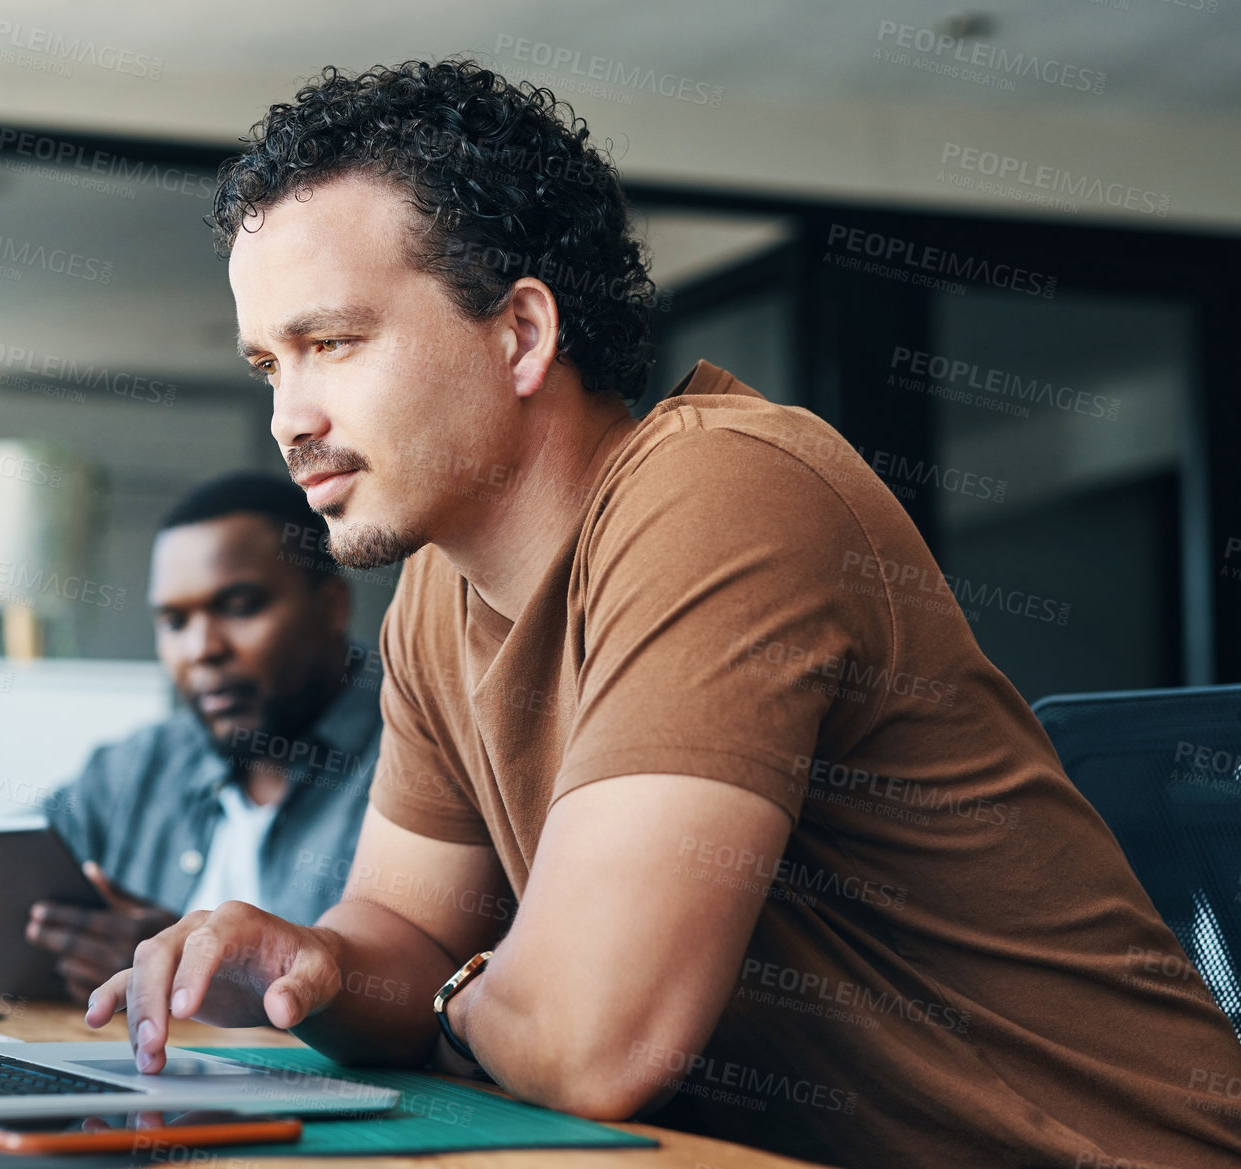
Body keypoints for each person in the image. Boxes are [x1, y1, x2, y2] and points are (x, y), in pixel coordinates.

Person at [85, 59, 1241, 1169]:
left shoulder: (720, 491)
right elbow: (407, 934)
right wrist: (313, 963)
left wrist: (439, 995)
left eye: (329, 343)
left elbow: (594, 1042)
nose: (288, 417)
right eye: (266, 366)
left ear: (520, 333)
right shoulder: (435, 596)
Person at [0, 472, 381, 1004]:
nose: (200, 649)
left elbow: (405, 996)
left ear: (332, 607)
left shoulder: (414, 756)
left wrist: (180, 961)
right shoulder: (139, 767)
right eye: (174, 621)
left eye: (239, 607)